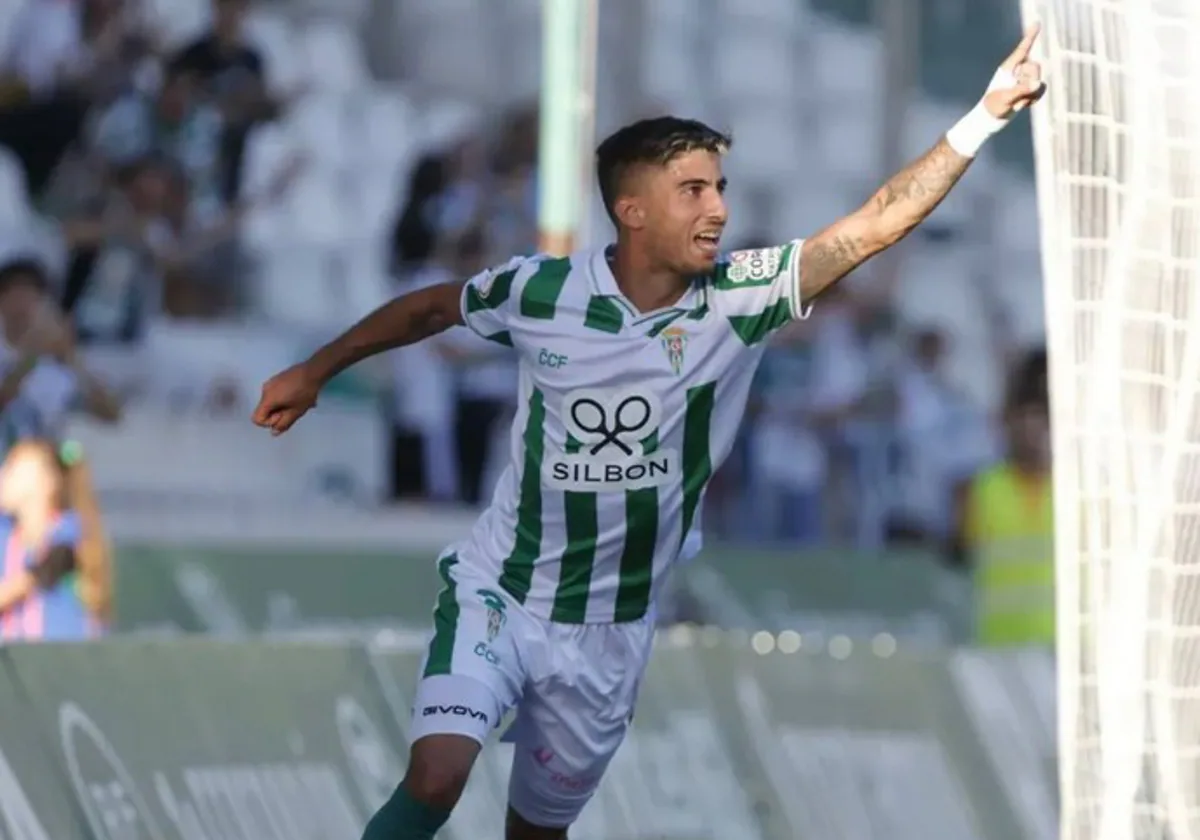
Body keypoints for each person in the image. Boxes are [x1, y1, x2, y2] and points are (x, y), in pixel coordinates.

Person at [252, 28, 1046, 840]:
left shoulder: (743, 296)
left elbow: (878, 223)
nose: (719, 208)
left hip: (611, 632)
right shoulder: (542, 291)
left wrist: (984, 115)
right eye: (694, 190)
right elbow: (429, 307)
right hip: (504, 595)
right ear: (632, 211)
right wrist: (315, 370)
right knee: (438, 773)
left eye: (720, 187)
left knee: (535, 832)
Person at [0, 438, 111, 640]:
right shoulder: (6, 535)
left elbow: (43, 571)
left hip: (61, 658)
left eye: (13, 469)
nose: (3, 477)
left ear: (48, 480)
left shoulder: (69, 532)